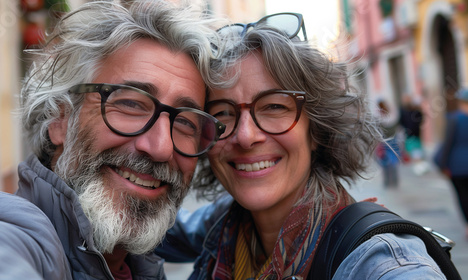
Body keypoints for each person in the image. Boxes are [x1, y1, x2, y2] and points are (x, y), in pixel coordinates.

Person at [156, 13, 447, 279]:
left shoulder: (381, 263)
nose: (245, 136)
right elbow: (144, 229)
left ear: (316, 130)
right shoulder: (225, 224)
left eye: (273, 107)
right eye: (222, 113)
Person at [0, 1, 225, 279]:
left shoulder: (137, 265)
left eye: (186, 122)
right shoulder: (1, 234)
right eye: (131, 104)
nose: (162, 147)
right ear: (60, 119)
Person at [434, 88, 468, 240]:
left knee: (463, 196)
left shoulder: (454, 119)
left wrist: (442, 165)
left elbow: (447, 144)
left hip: (457, 166)